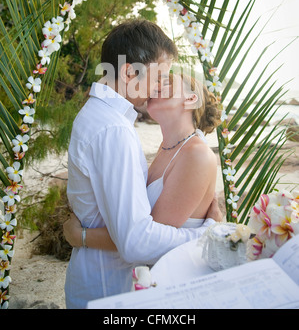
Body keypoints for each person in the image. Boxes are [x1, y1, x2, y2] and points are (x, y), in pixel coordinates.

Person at [64, 19, 222, 309]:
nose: (160, 85)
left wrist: (83, 236)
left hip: (110, 282)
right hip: (108, 288)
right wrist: (207, 233)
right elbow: (136, 240)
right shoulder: (114, 130)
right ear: (128, 72)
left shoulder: (107, 121)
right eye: (160, 75)